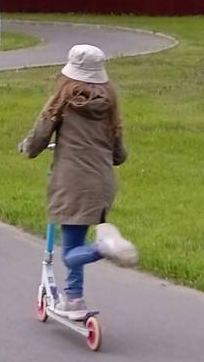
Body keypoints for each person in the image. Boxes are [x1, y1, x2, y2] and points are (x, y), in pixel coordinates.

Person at [19, 44, 138, 321]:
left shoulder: (61, 103)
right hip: (102, 184)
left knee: (70, 252)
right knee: (77, 240)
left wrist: (26, 148)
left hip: (72, 183)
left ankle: (103, 248)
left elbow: (38, 139)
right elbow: (119, 153)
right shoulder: (109, 106)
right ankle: (74, 298)